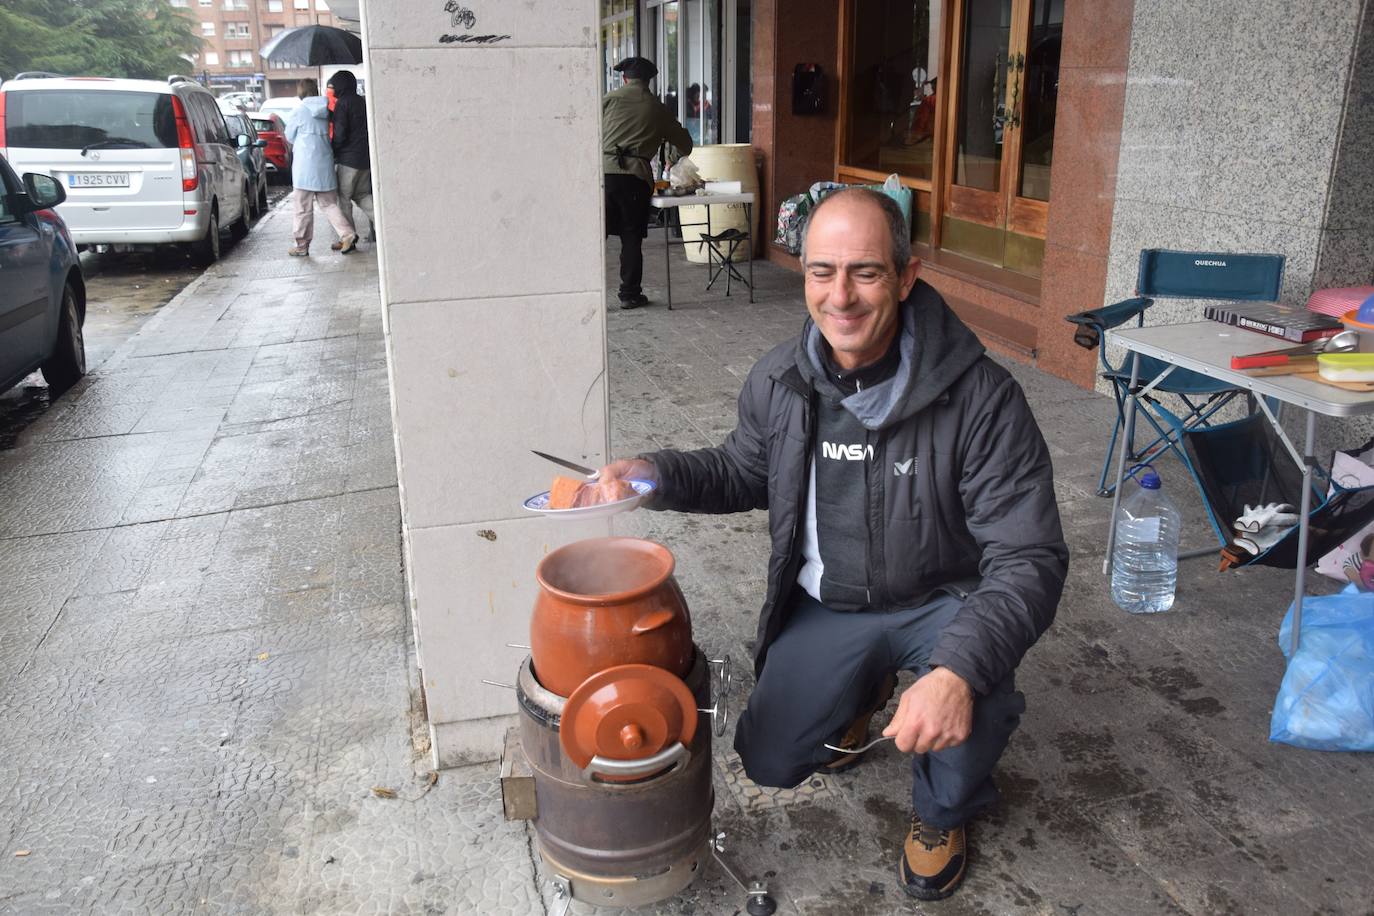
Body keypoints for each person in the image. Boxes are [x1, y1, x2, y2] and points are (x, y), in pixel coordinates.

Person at [597, 188, 1068, 901]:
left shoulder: (982, 398)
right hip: (832, 604)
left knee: (975, 688)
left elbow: (1029, 557)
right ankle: (864, 685)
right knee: (769, 760)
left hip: (945, 602)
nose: (840, 296)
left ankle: (943, 810)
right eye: (822, 271)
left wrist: (957, 672)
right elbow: (743, 470)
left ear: (907, 277)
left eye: (866, 272)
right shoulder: (781, 381)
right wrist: (657, 474)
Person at [602, 56, 693, 310]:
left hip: (602, 176)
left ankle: (589, 294)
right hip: (634, 179)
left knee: (595, 237)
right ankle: (629, 295)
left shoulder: (608, 100)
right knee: (631, 238)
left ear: (624, 78)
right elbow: (686, 144)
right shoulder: (657, 108)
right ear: (649, 81)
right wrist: (667, 148)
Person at [283, 78, 357, 257]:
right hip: (324, 164)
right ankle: (348, 234)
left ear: (301, 92)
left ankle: (301, 245)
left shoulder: (299, 111)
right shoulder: (327, 111)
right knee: (329, 204)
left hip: (304, 167)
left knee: (302, 208)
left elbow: (289, 136)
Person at [327, 70, 376, 247]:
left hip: (348, 159)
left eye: (334, 85)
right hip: (364, 157)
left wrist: (333, 150)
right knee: (362, 195)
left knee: (344, 198)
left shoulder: (343, 103)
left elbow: (340, 132)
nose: (332, 89)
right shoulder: (361, 101)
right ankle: (382, 224)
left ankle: (348, 237)